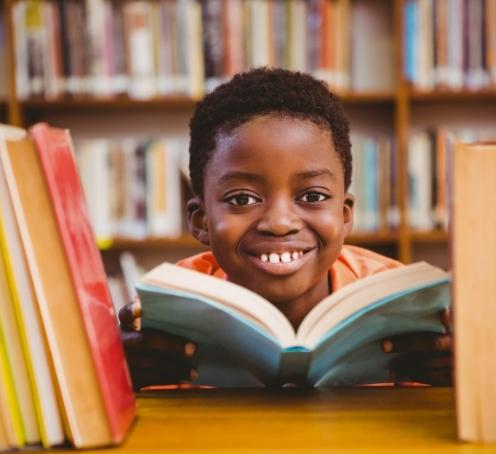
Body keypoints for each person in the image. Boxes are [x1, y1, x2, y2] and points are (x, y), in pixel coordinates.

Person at [119, 68, 452, 389]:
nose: (279, 223)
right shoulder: (172, 309)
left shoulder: (395, 300)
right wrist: (116, 372)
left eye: (312, 196)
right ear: (200, 221)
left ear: (345, 215)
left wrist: (458, 373)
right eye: (241, 199)